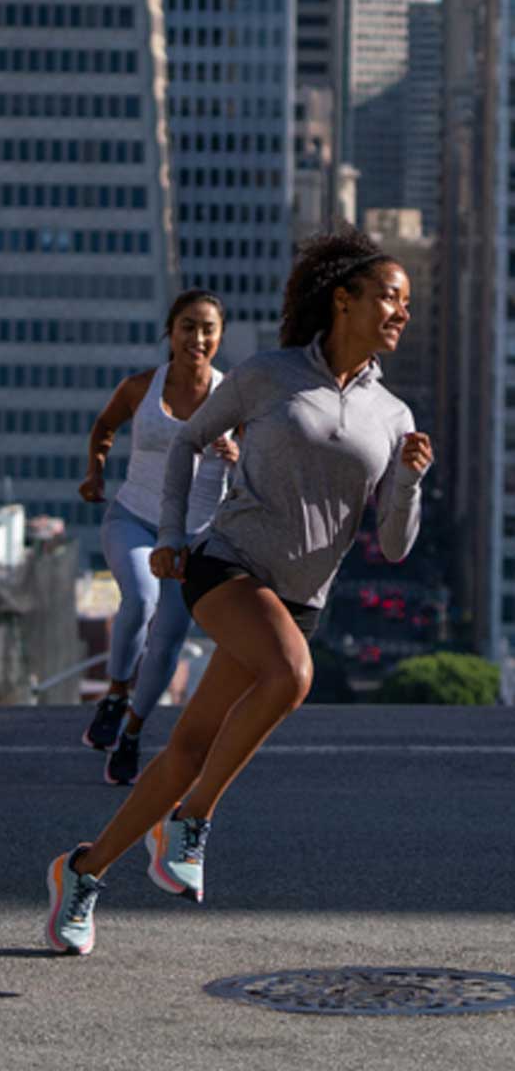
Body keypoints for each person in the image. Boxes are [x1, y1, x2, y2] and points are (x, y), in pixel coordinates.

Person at [46, 227, 433, 955]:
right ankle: (192, 822)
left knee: (190, 745)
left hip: (299, 598)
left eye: (407, 303)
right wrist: (169, 535)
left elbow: (392, 543)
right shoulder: (269, 374)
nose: (401, 312)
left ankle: (83, 872)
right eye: (389, 296)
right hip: (225, 565)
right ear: (343, 301)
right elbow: (190, 441)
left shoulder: (394, 417)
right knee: (291, 676)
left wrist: (409, 481)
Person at [78, 289, 239, 785]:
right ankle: (115, 692)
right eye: (187, 326)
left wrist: (237, 455)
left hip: (196, 538)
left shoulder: (234, 397)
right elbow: (104, 427)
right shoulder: (140, 388)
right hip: (135, 519)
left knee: (168, 640)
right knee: (141, 599)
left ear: (220, 336)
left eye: (208, 328)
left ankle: (132, 732)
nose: (197, 337)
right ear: (170, 332)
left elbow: (263, 462)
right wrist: (95, 473)